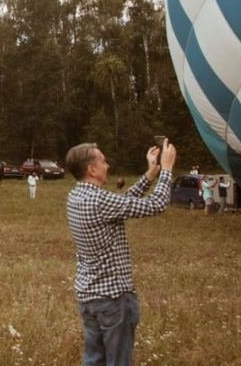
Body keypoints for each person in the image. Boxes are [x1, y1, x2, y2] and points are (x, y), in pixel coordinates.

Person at [65, 139, 176, 366]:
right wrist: (167, 169)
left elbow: (121, 203)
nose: (108, 166)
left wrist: (150, 174)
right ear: (92, 169)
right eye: (103, 161)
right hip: (113, 300)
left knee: (94, 360)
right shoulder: (99, 200)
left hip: (89, 297)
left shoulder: (76, 197)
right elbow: (157, 204)